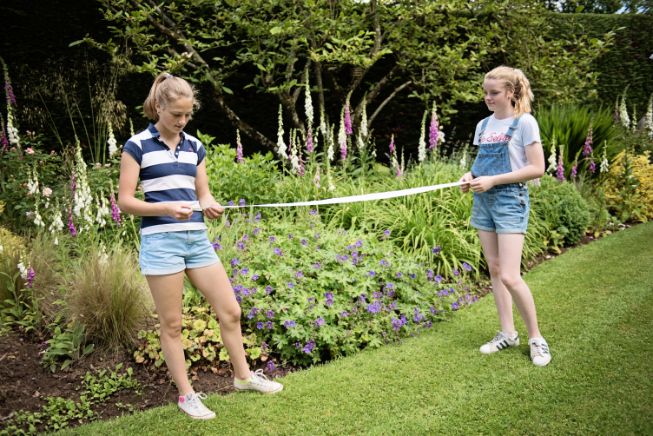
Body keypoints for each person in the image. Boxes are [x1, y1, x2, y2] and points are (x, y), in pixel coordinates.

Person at [118, 72, 283, 420]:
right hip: (161, 243)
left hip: (197, 240)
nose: (182, 121)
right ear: (159, 106)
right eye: (176, 114)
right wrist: (165, 208)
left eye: (187, 114)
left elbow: (202, 193)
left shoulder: (195, 147)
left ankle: (243, 377)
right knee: (172, 325)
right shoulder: (137, 146)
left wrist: (209, 203)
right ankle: (187, 395)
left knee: (231, 311)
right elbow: (125, 202)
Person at [459, 66, 551, 367]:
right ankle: (508, 333)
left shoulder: (525, 122)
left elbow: (537, 168)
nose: (488, 97)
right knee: (496, 270)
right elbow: (480, 166)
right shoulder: (483, 125)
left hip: (510, 200)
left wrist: (493, 181)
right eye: (485, 92)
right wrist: (469, 176)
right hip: (483, 201)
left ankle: (536, 338)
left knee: (511, 275)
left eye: (494, 92)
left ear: (511, 92)